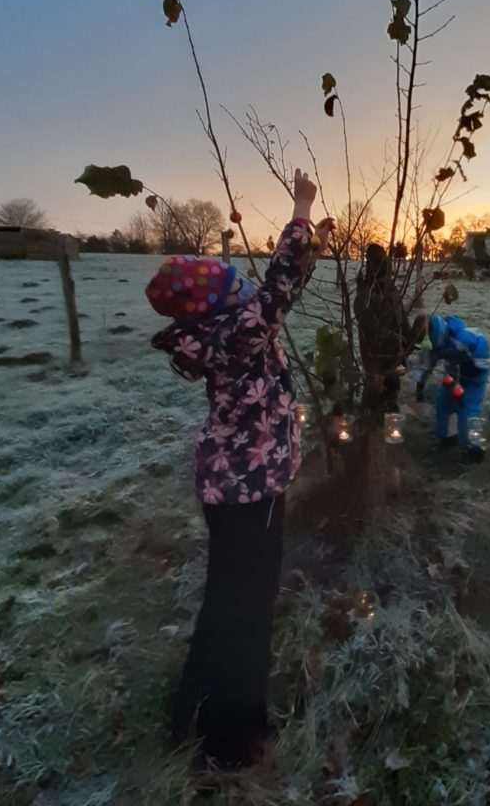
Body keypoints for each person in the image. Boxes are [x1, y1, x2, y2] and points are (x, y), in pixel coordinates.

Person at [145, 170, 333, 767]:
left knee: (231, 603)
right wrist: (300, 209)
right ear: (217, 302)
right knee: (244, 612)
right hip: (248, 492)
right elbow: (275, 294)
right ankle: (229, 741)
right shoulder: (235, 335)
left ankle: (190, 714)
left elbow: (272, 297)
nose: (243, 288)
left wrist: (312, 249)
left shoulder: (220, 329)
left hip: (240, 485)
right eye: (233, 284)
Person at [414, 313, 490, 463]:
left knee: (468, 410)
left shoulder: (464, 339)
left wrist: (462, 387)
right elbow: (424, 366)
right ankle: (447, 437)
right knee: (443, 402)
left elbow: (482, 358)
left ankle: (474, 449)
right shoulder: (431, 345)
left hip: (474, 375)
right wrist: (419, 388)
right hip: (453, 373)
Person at [353, 243, 412, 411]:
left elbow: (402, 316)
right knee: (374, 399)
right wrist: (394, 336)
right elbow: (369, 325)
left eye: (383, 258)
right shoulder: (365, 294)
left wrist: (408, 338)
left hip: (395, 357)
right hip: (375, 360)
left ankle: (387, 426)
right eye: (378, 259)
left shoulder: (392, 290)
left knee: (392, 394)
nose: (384, 263)